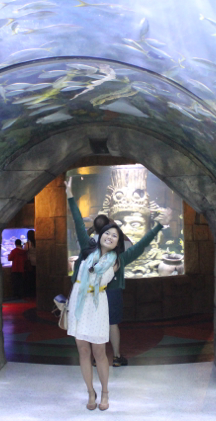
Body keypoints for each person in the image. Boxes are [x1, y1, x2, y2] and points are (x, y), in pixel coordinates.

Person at [66, 176, 170, 411]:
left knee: (99, 352)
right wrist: (70, 195)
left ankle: (104, 392)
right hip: (79, 304)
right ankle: (90, 392)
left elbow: (141, 245)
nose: (110, 237)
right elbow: (78, 222)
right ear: (100, 235)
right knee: (83, 350)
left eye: (115, 236)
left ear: (118, 243)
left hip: (97, 306)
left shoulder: (118, 260)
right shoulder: (87, 249)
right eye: (107, 233)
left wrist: (158, 226)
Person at [90, 215, 132, 368]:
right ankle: (116, 357)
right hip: (112, 289)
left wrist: (93, 229)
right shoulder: (116, 242)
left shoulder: (91, 241)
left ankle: (97, 358)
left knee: (96, 323)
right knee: (112, 323)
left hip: (94, 289)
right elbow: (130, 245)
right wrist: (117, 230)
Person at [24, 230, 36, 297]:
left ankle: (31, 293)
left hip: (30, 263)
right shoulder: (37, 243)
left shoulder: (28, 244)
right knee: (36, 278)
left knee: (30, 278)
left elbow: (24, 251)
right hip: (37, 262)